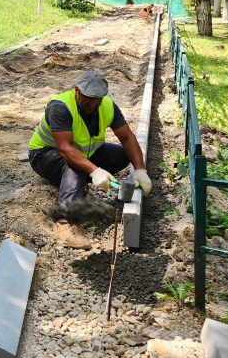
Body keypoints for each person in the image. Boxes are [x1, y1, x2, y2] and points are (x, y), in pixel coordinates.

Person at [28, 70, 152, 248]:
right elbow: (65, 149)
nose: (92, 103)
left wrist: (140, 170)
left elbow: (127, 138)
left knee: (123, 155)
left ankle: (75, 181)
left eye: (97, 99)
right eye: (88, 97)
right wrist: (94, 170)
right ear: (77, 90)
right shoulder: (60, 107)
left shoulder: (108, 106)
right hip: (44, 155)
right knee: (74, 165)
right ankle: (65, 222)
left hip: (79, 153)